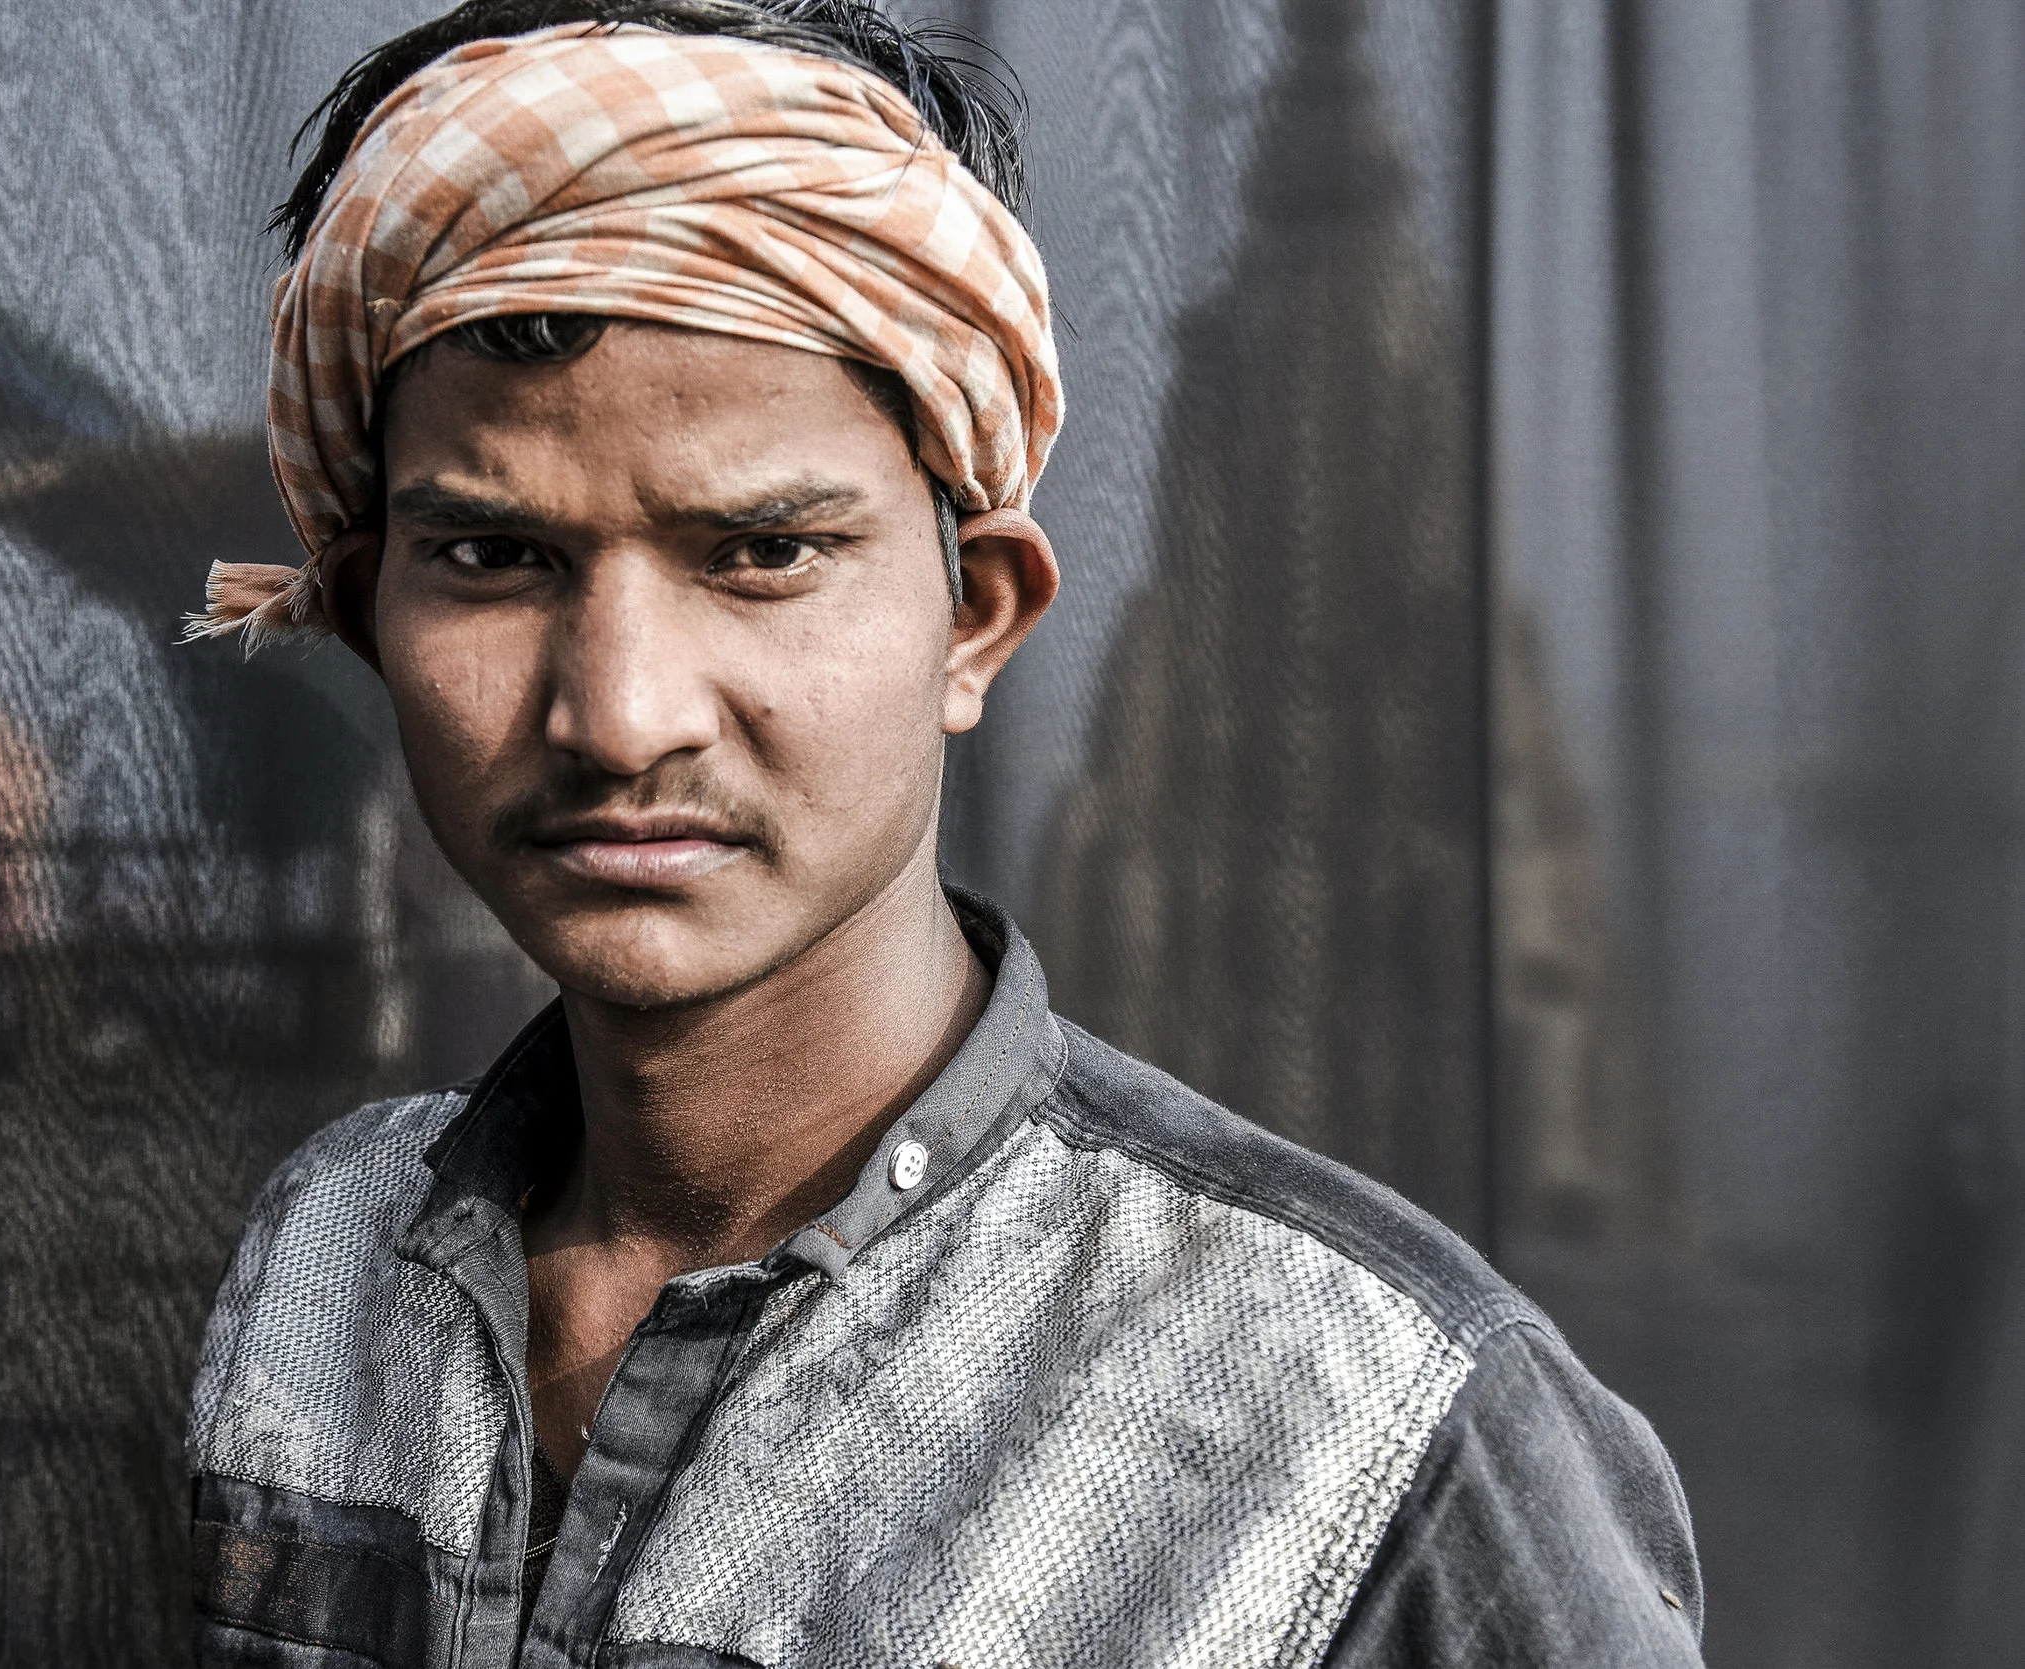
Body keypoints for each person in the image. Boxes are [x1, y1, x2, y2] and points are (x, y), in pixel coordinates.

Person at [183, 3, 1704, 1664]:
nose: (620, 716)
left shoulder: (1380, 1435)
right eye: (492, 559)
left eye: (763, 552)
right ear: (358, 611)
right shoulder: (331, 1254)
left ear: (974, 620)